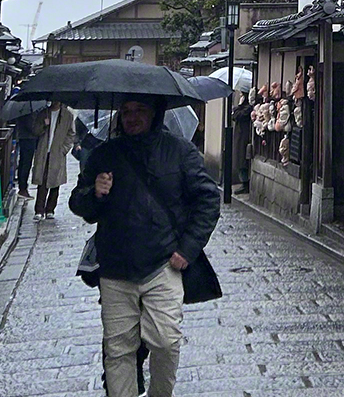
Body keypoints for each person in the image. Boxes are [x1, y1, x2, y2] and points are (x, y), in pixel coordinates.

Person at [69, 96, 220, 397]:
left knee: (166, 341)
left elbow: (208, 199)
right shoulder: (105, 154)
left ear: (154, 114)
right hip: (114, 268)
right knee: (118, 349)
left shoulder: (179, 151)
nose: (131, 117)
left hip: (163, 263)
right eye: (126, 112)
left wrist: (187, 249)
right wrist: (94, 194)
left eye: (139, 111)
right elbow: (79, 203)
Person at [34, 103, 74, 215]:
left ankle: (50, 209)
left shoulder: (67, 116)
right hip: (43, 152)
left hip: (57, 152)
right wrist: (43, 125)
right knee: (42, 181)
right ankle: (39, 210)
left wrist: (64, 149)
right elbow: (36, 131)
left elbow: (71, 134)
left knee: (55, 181)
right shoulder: (43, 113)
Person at [12, 108, 43, 198]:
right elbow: (32, 126)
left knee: (24, 162)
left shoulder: (25, 109)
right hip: (28, 138)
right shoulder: (28, 111)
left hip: (25, 137)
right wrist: (42, 126)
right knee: (26, 163)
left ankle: (23, 186)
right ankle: (23, 188)